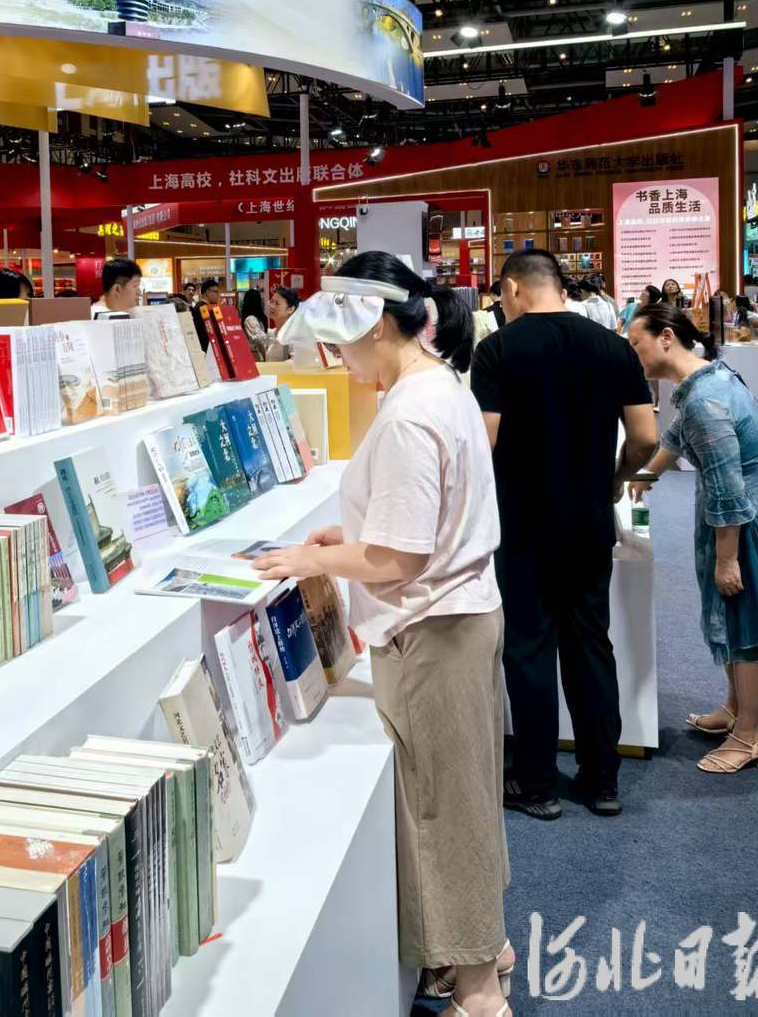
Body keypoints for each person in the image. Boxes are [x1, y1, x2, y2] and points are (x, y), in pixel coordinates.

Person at [253, 252, 513, 1017]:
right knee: (465, 794)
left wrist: (313, 559)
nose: (338, 360)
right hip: (459, 616)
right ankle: (484, 948)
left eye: (340, 343)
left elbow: (400, 558)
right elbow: (426, 520)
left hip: (433, 631)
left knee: (444, 808)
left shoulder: (407, 414)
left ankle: (479, 992)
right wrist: (351, 535)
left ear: (373, 326)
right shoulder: (440, 387)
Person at [471, 250, 657, 819]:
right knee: (590, 645)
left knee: (529, 650)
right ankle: (602, 780)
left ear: (513, 289)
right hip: (588, 523)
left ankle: (537, 784)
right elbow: (646, 438)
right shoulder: (614, 347)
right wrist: (616, 477)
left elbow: (485, 441)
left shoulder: (497, 350)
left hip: (522, 526)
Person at [627, 303, 758, 772]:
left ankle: (750, 737)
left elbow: (728, 490)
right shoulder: (706, 380)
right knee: (733, 621)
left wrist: (727, 559)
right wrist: (647, 474)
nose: (633, 353)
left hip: (745, 526)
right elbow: (677, 435)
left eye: (637, 343)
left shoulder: (706, 400)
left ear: (666, 338)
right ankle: (736, 709)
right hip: (742, 517)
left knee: (747, 631)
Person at [268, 285, 301, 360]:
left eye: (277, 303)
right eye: (271, 302)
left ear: (290, 309)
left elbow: (296, 361)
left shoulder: (294, 334)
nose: (272, 306)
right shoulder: (271, 333)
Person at [192, 278, 223, 351]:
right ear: (207, 292)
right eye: (215, 292)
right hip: (207, 348)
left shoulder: (199, 306)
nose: (217, 295)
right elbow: (206, 332)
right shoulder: (204, 308)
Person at [240, 288, 270, 360]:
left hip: (258, 354)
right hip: (257, 355)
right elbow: (260, 339)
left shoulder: (253, 318)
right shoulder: (251, 319)